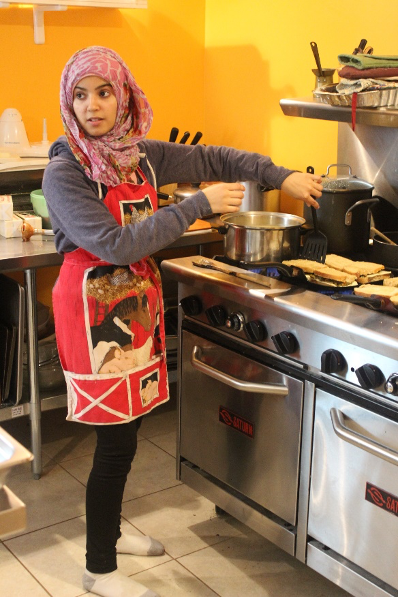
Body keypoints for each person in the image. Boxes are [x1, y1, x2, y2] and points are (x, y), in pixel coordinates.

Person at [42, 45, 323, 597]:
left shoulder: (138, 155)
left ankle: (111, 534)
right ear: (67, 103)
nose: (93, 106)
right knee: (115, 443)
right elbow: (114, 244)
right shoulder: (64, 171)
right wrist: (195, 206)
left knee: (132, 430)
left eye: (104, 92)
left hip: (135, 308)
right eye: (80, 94)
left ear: (124, 96)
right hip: (95, 316)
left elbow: (219, 159)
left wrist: (281, 174)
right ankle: (99, 569)